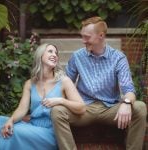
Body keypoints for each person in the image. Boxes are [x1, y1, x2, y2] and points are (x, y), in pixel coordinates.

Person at [51, 16, 147, 150]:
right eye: (82, 36)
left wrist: (126, 102)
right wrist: (58, 99)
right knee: (57, 111)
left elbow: (129, 89)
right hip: (83, 109)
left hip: (110, 108)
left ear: (101, 35)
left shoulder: (118, 58)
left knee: (140, 107)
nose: (83, 41)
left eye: (87, 37)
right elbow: (65, 85)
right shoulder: (77, 56)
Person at [0, 43, 86, 150]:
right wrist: (11, 120)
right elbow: (22, 109)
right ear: (40, 55)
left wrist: (61, 100)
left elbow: (81, 107)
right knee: (0, 121)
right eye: (50, 51)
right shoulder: (30, 83)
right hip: (32, 126)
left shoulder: (64, 81)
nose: (54, 55)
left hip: (50, 132)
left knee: (12, 132)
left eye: (56, 53)